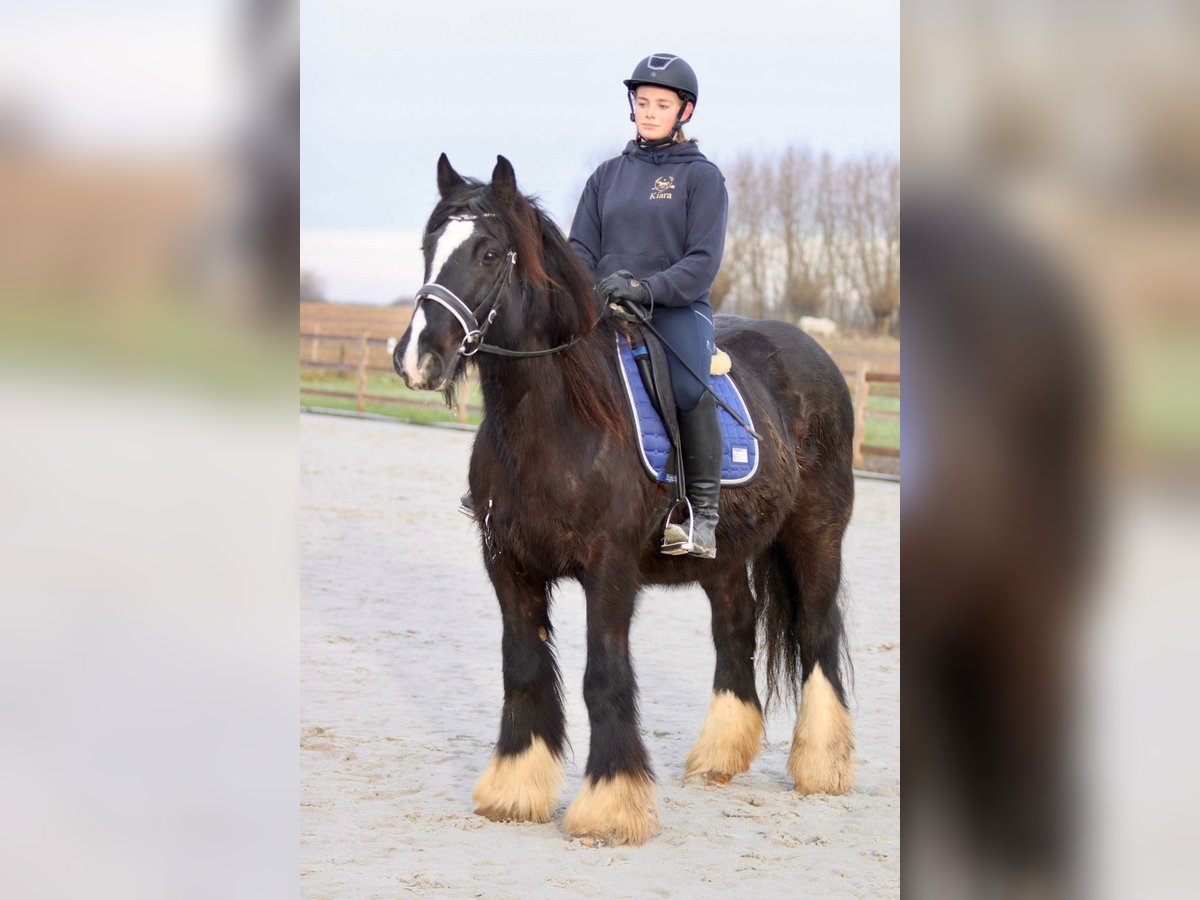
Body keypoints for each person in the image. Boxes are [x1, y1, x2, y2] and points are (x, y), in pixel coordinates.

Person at [570, 53, 728, 559]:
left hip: (674, 308)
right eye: (642, 102)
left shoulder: (703, 179)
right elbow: (579, 249)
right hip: (605, 305)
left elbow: (702, 262)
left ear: (685, 112)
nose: (650, 111)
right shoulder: (607, 176)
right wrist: (595, 287)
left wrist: (646, 288)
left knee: (687, 383)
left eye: (662, 104)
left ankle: (702, 514)